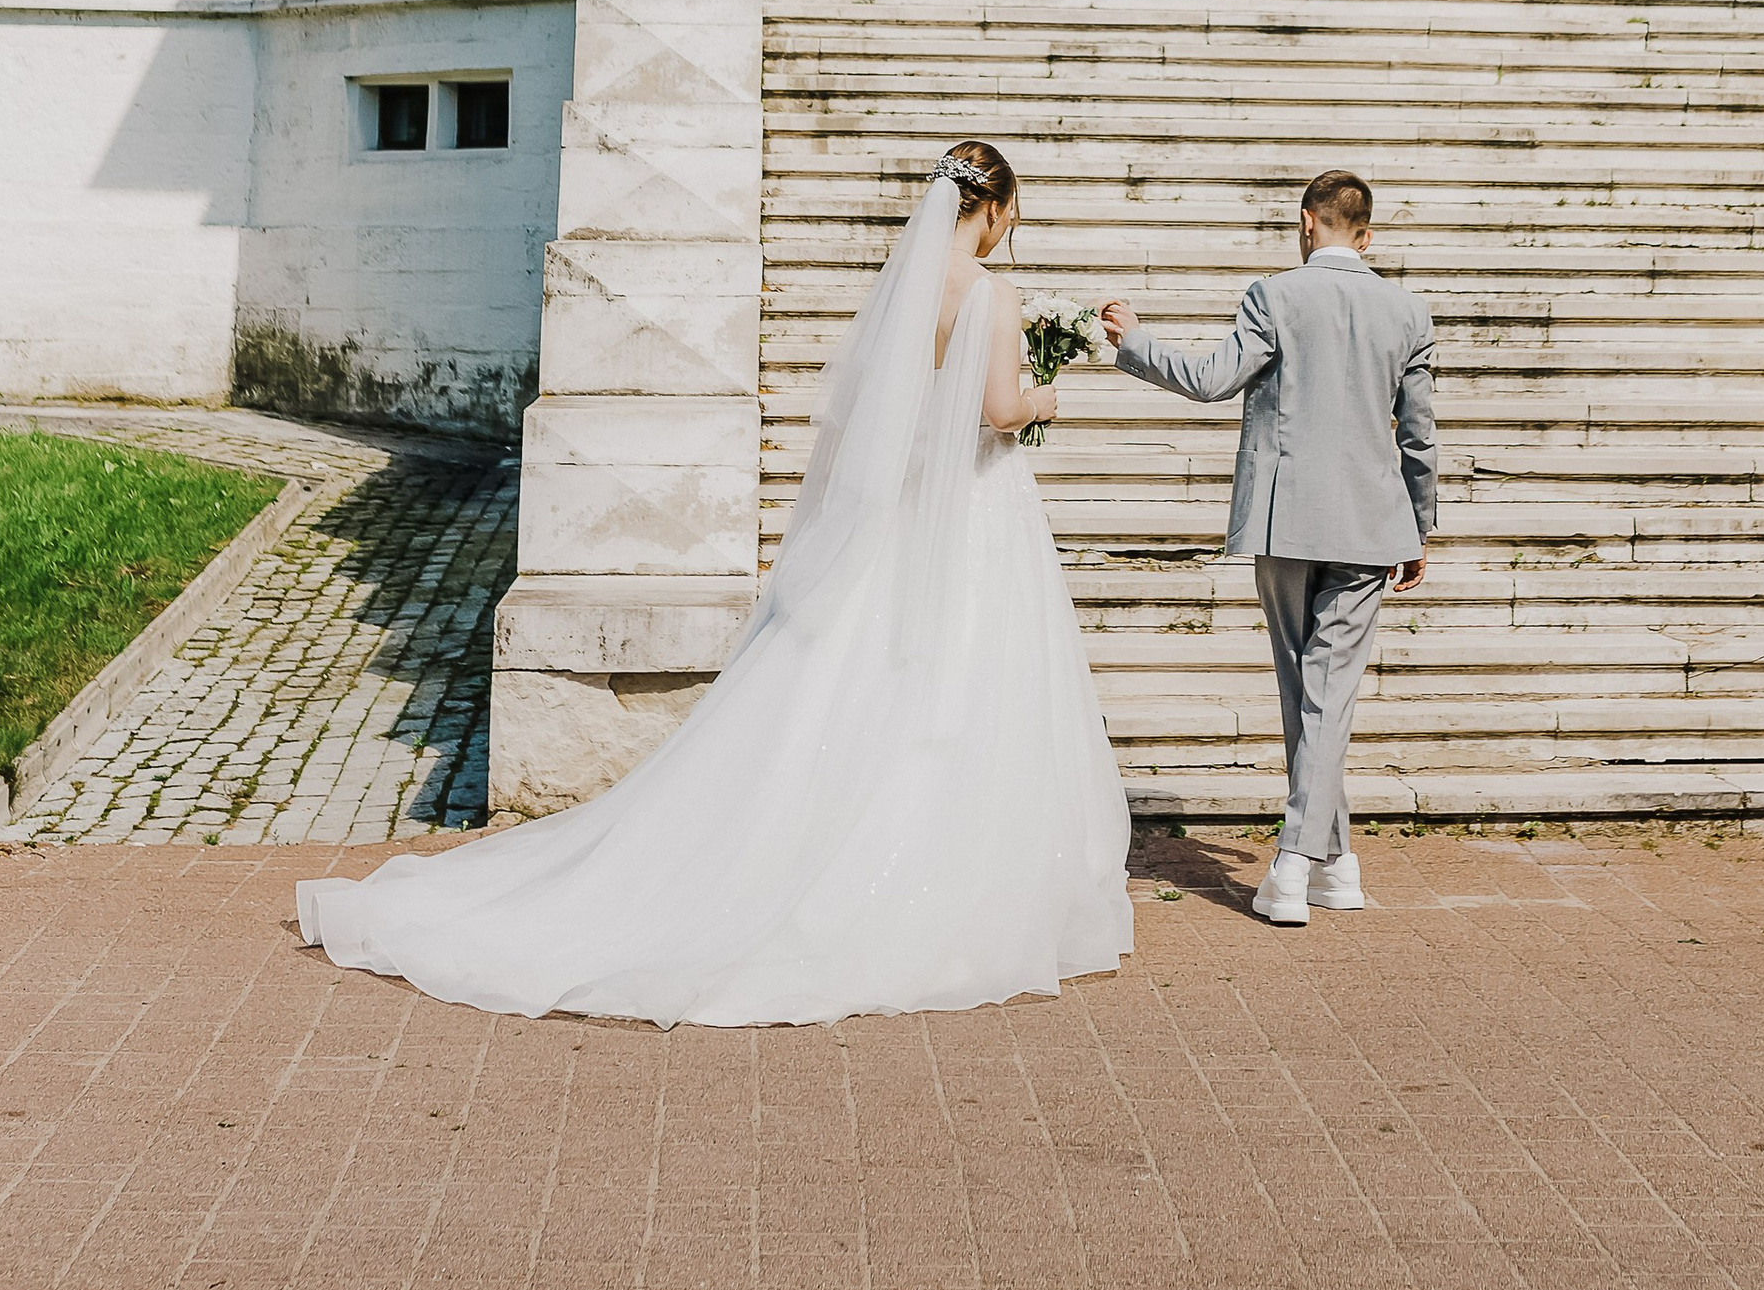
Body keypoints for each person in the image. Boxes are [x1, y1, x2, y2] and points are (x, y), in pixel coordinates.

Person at [297, 143, 1131, 1025]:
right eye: (1011, 216)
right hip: (970, 512)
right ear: (992, 209)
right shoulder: (994, 294)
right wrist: (1044, 396)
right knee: (968, 680)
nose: (1007, 232)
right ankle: (948, 872)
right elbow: (998, 411)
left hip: (899, 515)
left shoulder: (905, 288)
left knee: (868, 673)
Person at [1101, 170, 1437, 925]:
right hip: (1370, 524)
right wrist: (1418, 525)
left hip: (1286, 520)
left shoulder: (1274, 295)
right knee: (1326, 694)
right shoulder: (1407, 310)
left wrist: (1138, 341)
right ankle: (1337, 862)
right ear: (1366, 235)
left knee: (1305, 689)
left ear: (1306, 223)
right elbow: (1419, 435)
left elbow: (1211, 380)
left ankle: (1293, 864)